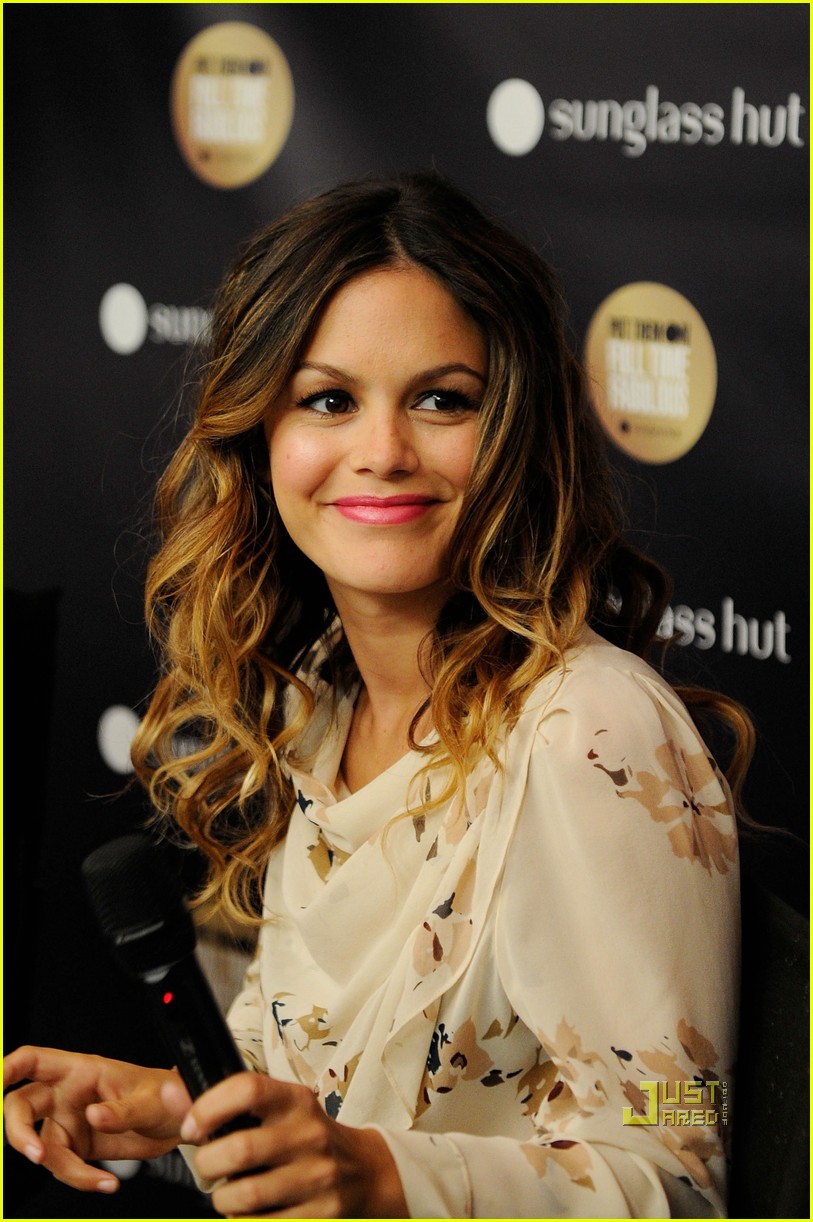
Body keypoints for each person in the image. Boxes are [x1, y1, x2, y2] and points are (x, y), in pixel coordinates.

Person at [4, 172, 753, 1218]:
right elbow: (327, 1085)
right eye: (329, 400)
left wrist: (381, 1176)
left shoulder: (589, 731)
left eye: (443, 399)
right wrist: (180, 1107)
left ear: (515, 431)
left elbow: (681, 1163)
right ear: (260, 439)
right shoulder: (320, 698)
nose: (384, 453)